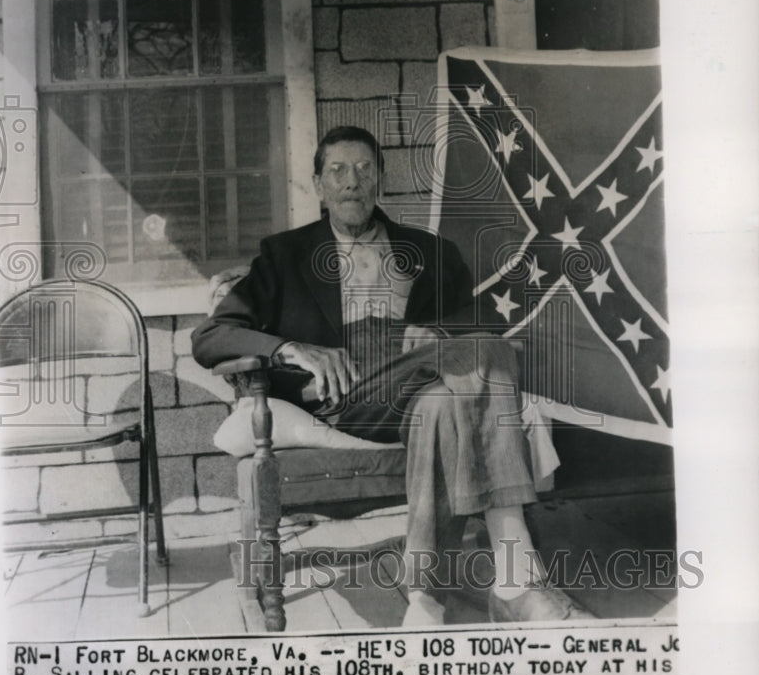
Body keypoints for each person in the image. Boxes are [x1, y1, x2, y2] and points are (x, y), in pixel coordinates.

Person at [192, 126, 588, 625]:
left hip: (425, 390)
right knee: (481, 358)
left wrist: (438, 333)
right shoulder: (284, 256)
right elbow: (211, 337)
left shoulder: (430, 251)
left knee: (446, 401)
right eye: (337, 171)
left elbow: (480, 321)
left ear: (381, 179)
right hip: (346, 397)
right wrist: (291, 348)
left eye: (364, 169)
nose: (351, 182)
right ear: (318, 185)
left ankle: (425, 597)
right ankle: (516, 580)